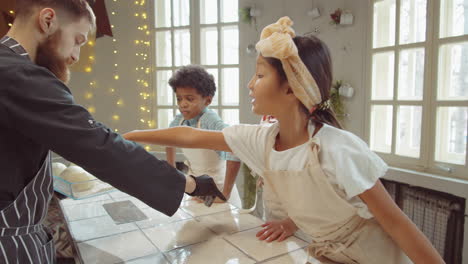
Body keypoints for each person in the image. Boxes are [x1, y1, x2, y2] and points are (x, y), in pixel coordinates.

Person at [122, 17, 445, 264]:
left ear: (292, 88)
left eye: (260, 75)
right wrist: (125, 138)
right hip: (325, 254)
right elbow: (190, 135)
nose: (251, 84)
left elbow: (398, 225)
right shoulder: (260, 139)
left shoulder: (337, 148)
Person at [0, 1, 224, 263]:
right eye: (78, 40)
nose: (75, 56)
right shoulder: (16, 74)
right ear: (47, 20)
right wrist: (191, 184)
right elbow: (99, 146)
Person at [164, 65, 242, 206]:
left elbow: (234, 147)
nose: (183, 104)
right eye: (179, 99)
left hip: (218, 190)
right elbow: (168, 139)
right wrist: (172, 171)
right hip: (196, 188)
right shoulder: (179, 120)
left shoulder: (209, 120)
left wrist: (225, 194)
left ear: (207, 100)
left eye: (189, 99)